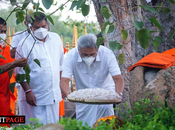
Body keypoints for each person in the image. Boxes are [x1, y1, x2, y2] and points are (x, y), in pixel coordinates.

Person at [60, 34, 124, 127]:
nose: (89, 57)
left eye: (92, 54)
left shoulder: (107, 54)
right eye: (85, 54)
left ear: (97, 49)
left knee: (106, 124)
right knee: (84, 125)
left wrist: (119, 94)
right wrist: (68, 94)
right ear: (78, 50)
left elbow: (118, 78)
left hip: (105, 94)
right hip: (83, 96)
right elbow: (64, 80)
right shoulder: (71, 55)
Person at [15, 12, 64, 125]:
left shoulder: (55, 39)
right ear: (30, 27)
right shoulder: (24, 43)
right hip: (35, 96)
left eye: (43, 26)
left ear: (48, 24)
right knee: (34, 126)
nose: (41, 30)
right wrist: (28, 91)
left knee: (53, 125)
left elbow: (61, 65)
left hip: (53, 95)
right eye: (37, 27)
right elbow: (19, 72)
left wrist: (61, 85)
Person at [0, 17, 28, 127]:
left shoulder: (8, 50)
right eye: (0, 32)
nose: (2, 34)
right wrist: (14, 63)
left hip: (9, 99)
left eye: (4, 31)